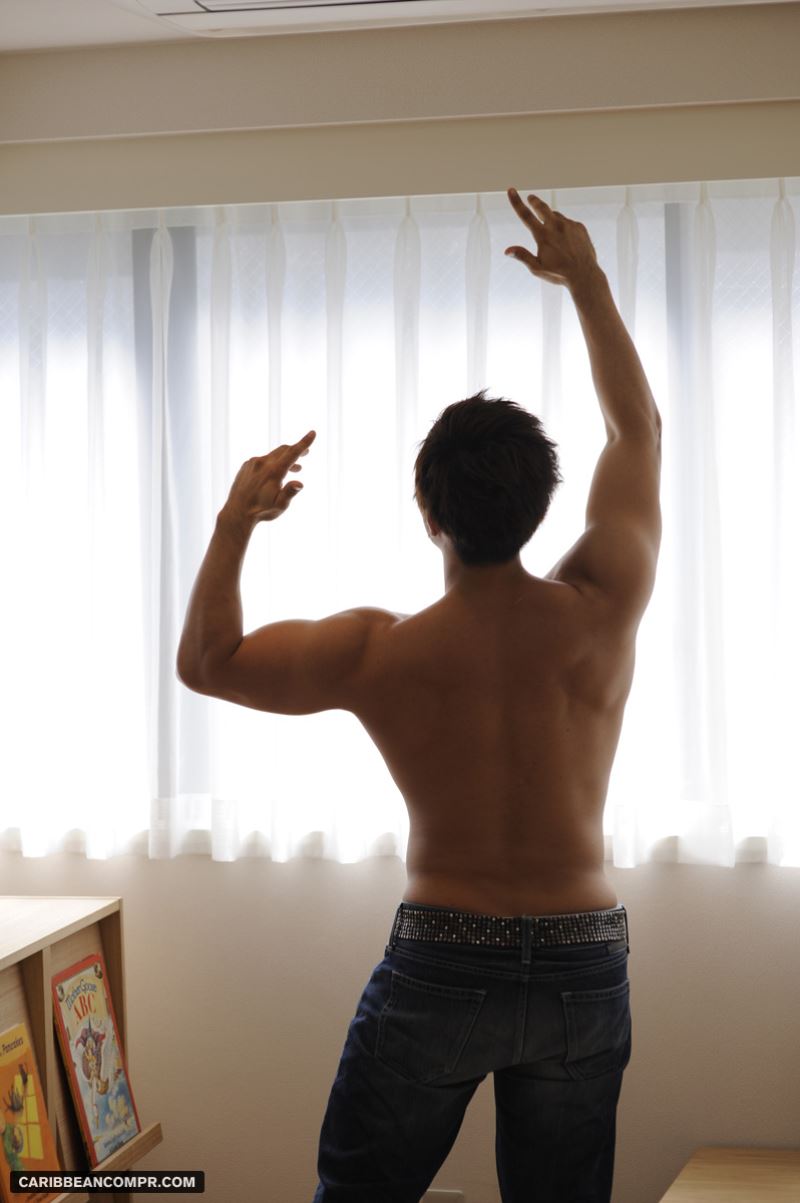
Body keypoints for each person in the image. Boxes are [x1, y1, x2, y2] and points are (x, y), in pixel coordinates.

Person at [176, 187, 662, 1203]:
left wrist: (234, 523)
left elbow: (208, 663)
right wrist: (587, 284)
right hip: (581, 955)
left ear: (427, 513)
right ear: (541, 504)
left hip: (444, 952)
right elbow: (637, 433)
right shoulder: (602, 605)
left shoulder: (379, 653)